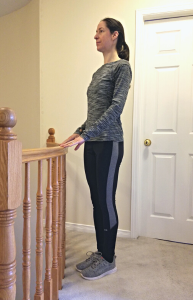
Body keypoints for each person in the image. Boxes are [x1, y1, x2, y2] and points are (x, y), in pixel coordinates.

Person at [60, 17, 132, 280]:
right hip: (92, 142)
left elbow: (115, 108)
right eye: (95, 31)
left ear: (114, 35)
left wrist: (87, 133)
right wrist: (80, 132)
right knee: (96, 200)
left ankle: (109, 258)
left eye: (100, 31)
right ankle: (101, 252)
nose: (95, 36)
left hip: (110, 143)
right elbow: (95, 112)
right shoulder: (97, 73)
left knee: (105, 200)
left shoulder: (122, 68)